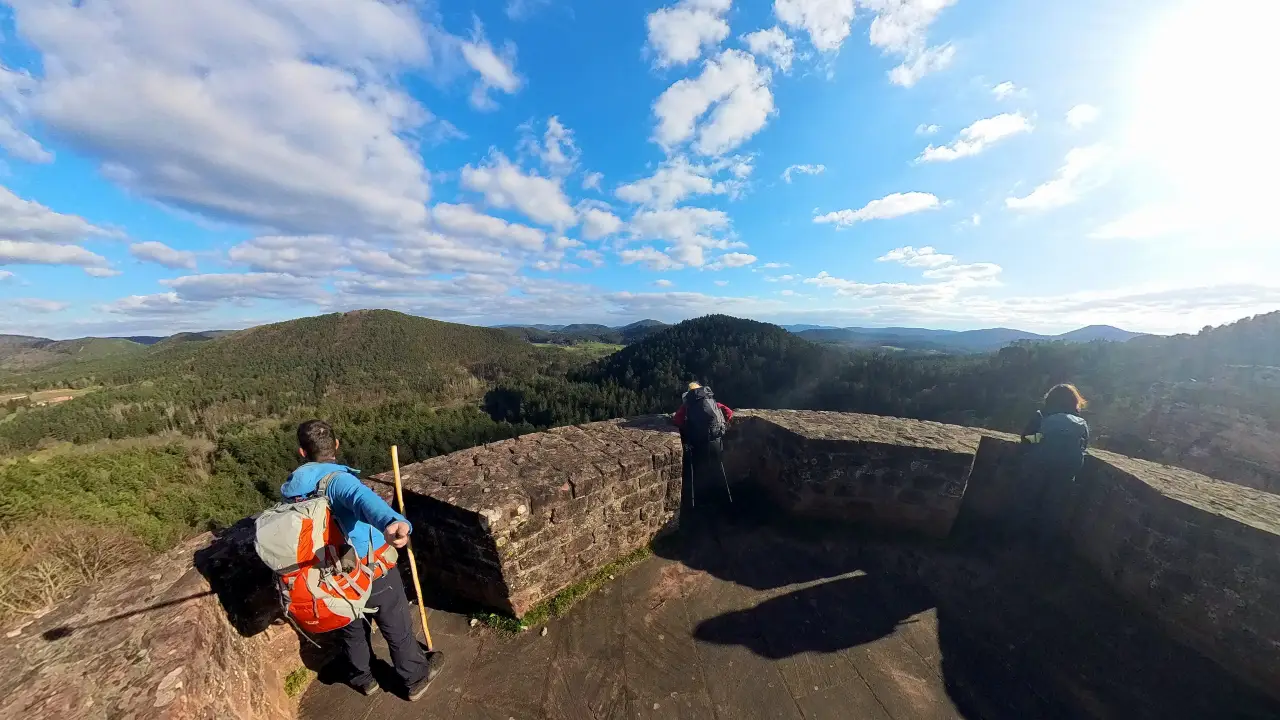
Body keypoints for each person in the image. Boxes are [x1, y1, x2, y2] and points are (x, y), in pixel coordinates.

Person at [280, 420, 441, 699]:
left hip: (331, 576)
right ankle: (414, 678)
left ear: (302, 453)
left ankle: (363, 678)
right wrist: (392, 522)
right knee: (397, 628)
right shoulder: (338, 480)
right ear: (337, 445)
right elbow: (361, 499)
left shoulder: (292, 491)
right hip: (371, 572)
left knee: (352, 629)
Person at [1019, 384, 1090, 543]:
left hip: (1039, 462)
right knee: (1054, 507)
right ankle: (1044, 545)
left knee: (1027, 500)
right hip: (1067, 469)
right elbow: (1084, 446)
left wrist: (1039, 441)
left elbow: (1026, 438)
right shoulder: (1080, 422)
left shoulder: (1042, 415)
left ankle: (1017, 540)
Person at [671, 382, 734, 516]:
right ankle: (722, 499)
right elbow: (729, 413)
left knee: (700, 471)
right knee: (718, 468)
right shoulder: (713, 402)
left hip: (699, 444)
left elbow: (677, 420)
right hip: (717, 442)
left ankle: (700, 503)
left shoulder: (688, 406)